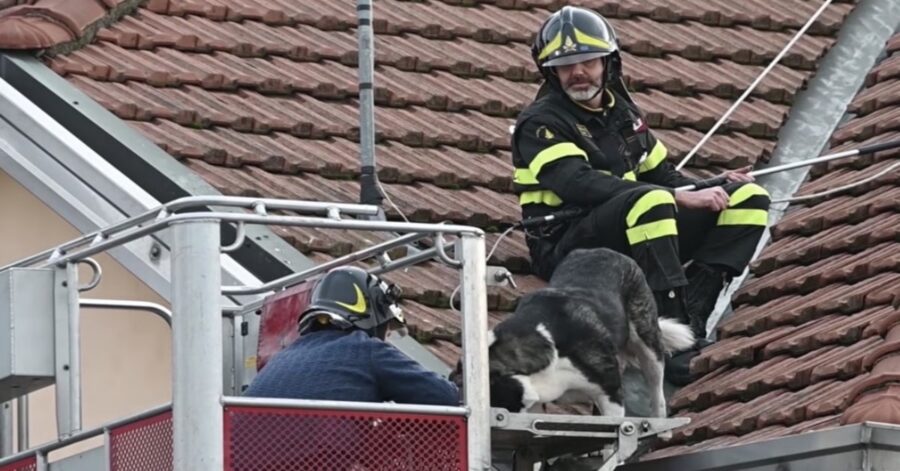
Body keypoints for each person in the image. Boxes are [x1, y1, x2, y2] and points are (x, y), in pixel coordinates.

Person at [511, 6, 770, 385]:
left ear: (608, 62)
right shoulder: (541, 122)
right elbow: (578, 183)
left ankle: (692, 317)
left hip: (636, 231)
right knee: (652, 201)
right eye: (565, 65)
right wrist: (677, 196)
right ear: (550, 71)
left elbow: (665, 176)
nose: (578, 71)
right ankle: (667, 341)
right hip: (567, 247)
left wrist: (711, 184)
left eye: (587, 61)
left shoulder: (624, 114)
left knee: (747, 197)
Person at [245, 266, 459, 405]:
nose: (386, 339)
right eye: (387, 330)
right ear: (374, 320)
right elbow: (444, 397)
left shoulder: (283, 357)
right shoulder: (364, 350)